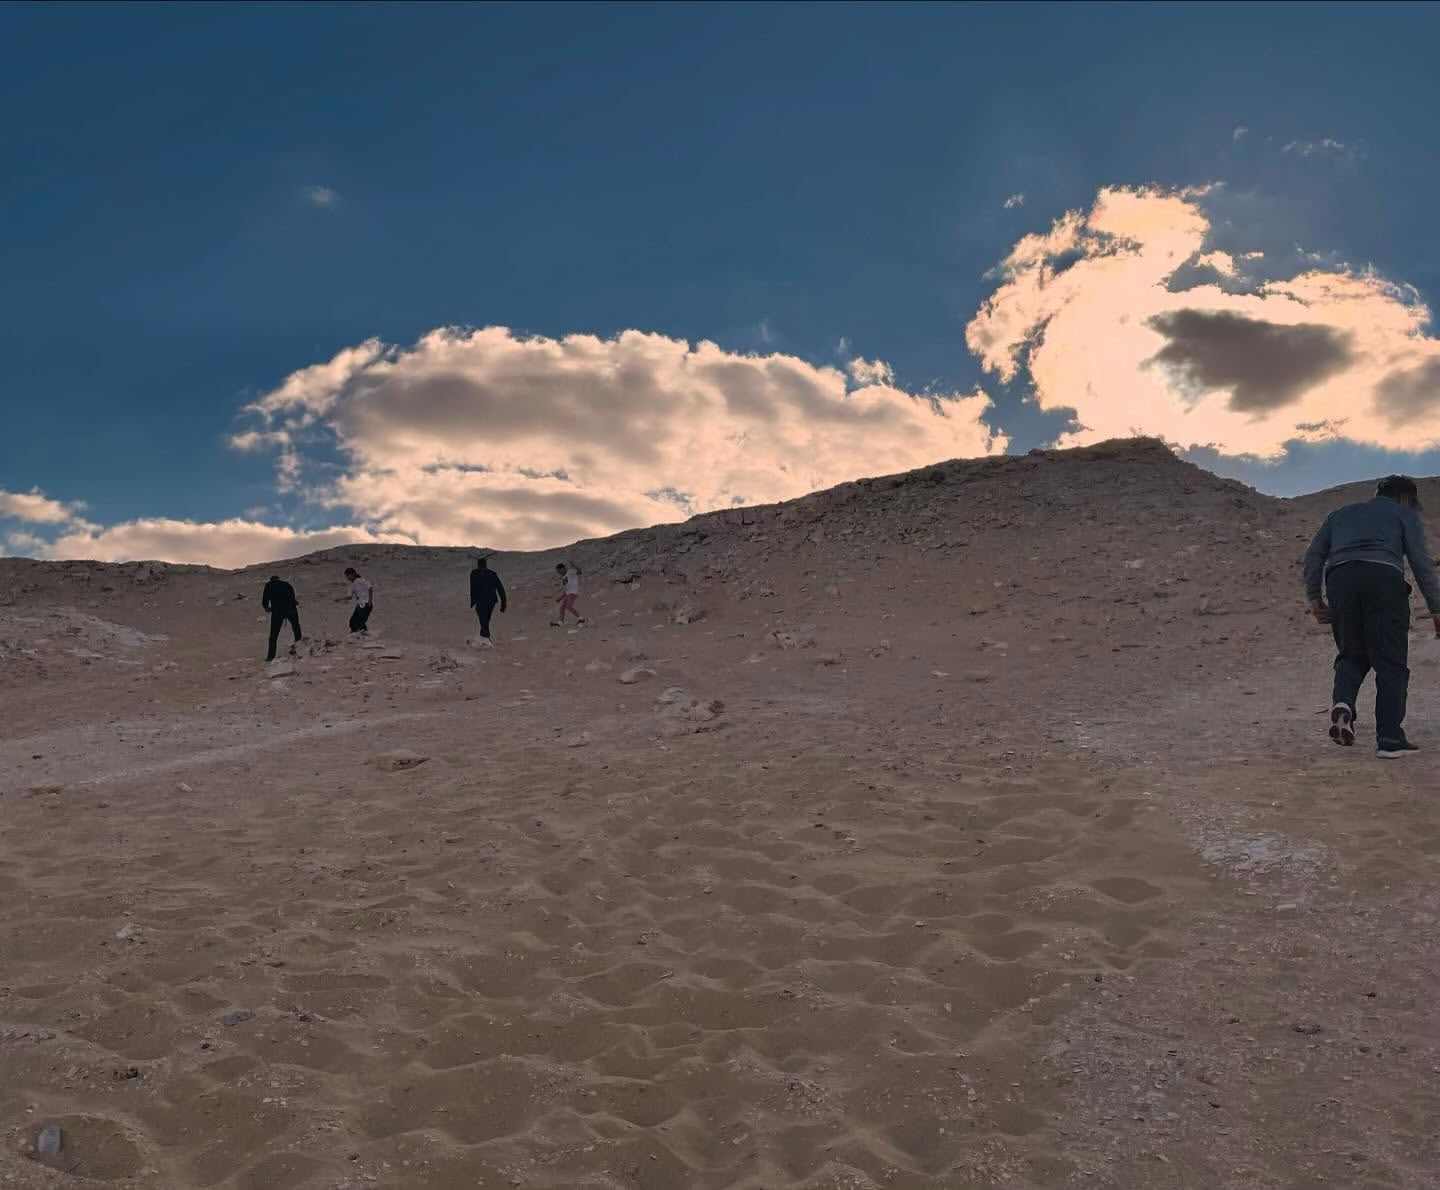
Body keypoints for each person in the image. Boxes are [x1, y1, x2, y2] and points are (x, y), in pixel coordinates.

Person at [1304, 475, 1440, 758]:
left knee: (1352, 654)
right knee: (1390, 662)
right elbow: (1420, 562)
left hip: (1341, 580)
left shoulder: (1338, 515)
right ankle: (1390, 739)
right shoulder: (1403, 514)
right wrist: (1436, 607)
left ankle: (1343, 704)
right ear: (1405, 499)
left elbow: (1314, 556)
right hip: (1383, 580)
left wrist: (1315, 597)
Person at [261, 574, 302, 661]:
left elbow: (265, 598)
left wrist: (266, 607)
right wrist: (294, 602)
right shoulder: (286, 584)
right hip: (291, 609)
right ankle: (300, 649)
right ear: (278, 579)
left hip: (278, 611)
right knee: (296, 628)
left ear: (271, 580)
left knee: (273, 635)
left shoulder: (269, 585)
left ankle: (270, 656)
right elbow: (292, 595)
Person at [469, 556, 507, 641]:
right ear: (486, 565)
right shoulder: (492, 574)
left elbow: (472, 588)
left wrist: (472, 601)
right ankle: (484, 638)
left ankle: (485, 639)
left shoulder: (474, 573)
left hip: (480, 600)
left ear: (478, 565)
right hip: (491, 601)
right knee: (486, 619)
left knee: (484, 620)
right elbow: (500, 589)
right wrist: (503, 604)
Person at [551, 562, 585, 626]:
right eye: (557, 571)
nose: (559, 573)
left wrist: (573, 564)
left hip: (573, 592)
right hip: (567, 593)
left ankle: (581, 618)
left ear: (563, 568)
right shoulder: (563, 578)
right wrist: (560, 598)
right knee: (562, 607)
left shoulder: (570, 572)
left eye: (559, 571)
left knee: (568, 606)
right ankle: (560, 622)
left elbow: (580, 571)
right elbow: (566, 589)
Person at [344, 566, 374, 634]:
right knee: (352, 622)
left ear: (353, 574)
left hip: (366, 604)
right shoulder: (352, 585)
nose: (348, 578)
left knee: (359, 622)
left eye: (348, 575)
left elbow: (370, 588)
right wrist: (339, 599)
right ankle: (359, 634)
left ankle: (361, 635)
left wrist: (370, 601)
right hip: (360, 605)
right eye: (347, 576)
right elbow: (349, 597)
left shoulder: (361, 580)